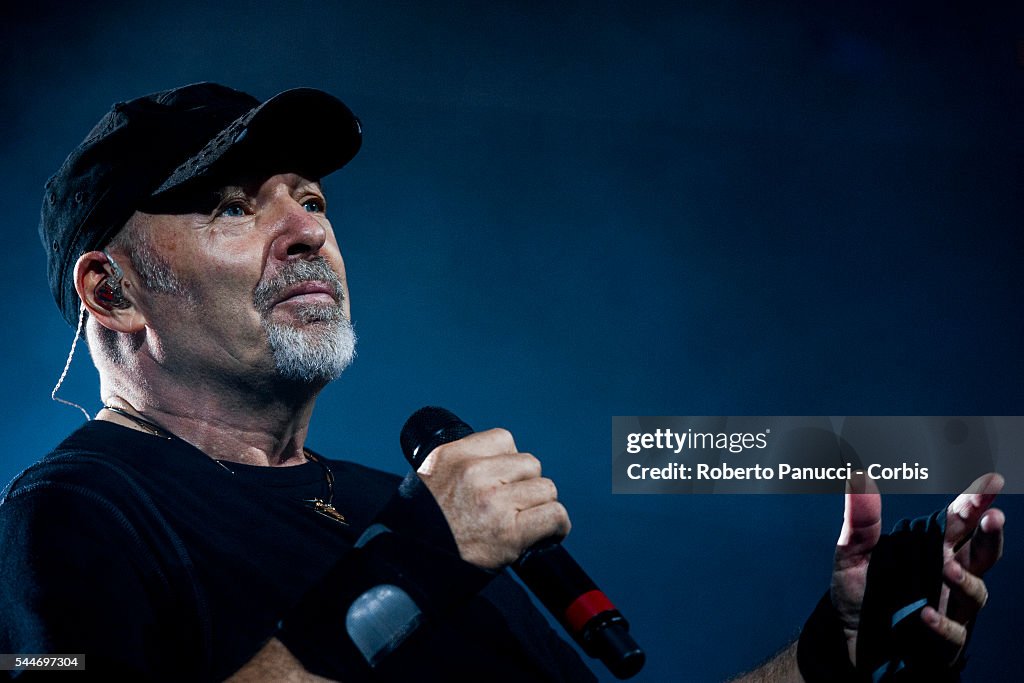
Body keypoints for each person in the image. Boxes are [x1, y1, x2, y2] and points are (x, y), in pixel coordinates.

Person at [0, 82, 1005, 682]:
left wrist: (825, 654)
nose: (307, 227)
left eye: (308, 198)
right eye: (231, 205)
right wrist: (401, 579)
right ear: (114, 288)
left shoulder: (379, 505)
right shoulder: (74, 511)